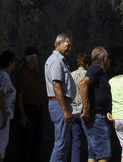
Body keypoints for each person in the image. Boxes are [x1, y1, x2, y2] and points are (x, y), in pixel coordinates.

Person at [45, 34, 75, 162]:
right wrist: (64, 110)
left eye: (71, 46)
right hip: (59, 104)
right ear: (59, 43)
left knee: (64, 142)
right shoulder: (56, 61)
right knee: (61, 143)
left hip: (61, 104)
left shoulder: (60, 61)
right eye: (67, 45)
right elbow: (56, 86)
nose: (69, 48)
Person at [80, 47, 112, 162]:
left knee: (93, 155)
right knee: (104, 155)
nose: (110, 61)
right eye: (109, 58)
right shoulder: (97, 69)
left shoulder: (96, 70)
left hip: (97, 117)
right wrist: (87, 108)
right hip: (96, 117)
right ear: (103, 59)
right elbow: (83, 83)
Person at [15, 46, 44, 162]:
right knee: (28, 141)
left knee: (38, 140)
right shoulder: (23, 74)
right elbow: (20, 95)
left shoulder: (33, 73)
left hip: (38, 109)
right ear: (32, 59)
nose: (38, 60)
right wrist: (22, 115)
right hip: (29, 110)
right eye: (37, 57)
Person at [70, 53, 91, 162]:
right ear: (87, 64)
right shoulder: (88, 75)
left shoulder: (71, 75)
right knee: (90, 139)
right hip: (84, 110)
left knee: (76, 141)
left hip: (73, 110)